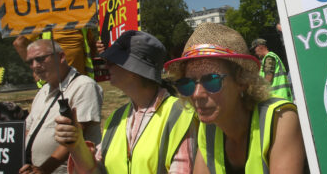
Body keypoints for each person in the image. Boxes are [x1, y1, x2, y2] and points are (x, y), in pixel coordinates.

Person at [164, 23, 305, 173]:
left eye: (211, 80)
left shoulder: (280, 118)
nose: (197, 94)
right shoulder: (209, 127)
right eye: (187, 83)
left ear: (242, 80)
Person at [54, 30, 198, 173]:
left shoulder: (180, 114)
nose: (106, 65)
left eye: (112, 61)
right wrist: (77, 145)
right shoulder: (115, 119)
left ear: (133, 69)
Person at [20, 39, 103, 174]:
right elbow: (28, 131)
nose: (35, 65)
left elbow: (73, 137)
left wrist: (44, 169)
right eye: (30, 62)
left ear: (61, 57)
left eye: (40, 59)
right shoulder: (42, 91)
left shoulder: (83, 85)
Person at [14, 29, 97, 78]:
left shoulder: (81, 21)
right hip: (53, 85)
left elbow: (92, 45)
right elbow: (19, 43)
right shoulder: (43, 20)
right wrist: (36, 69)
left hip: (80, 82)